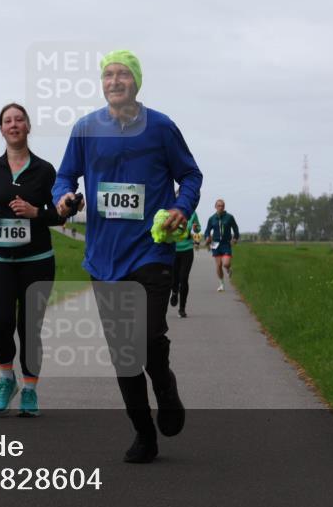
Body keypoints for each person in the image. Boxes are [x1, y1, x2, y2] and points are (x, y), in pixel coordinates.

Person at [54, 50, 202, 463]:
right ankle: (143, 434)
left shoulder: (161, 127)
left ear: (136, 82)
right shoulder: (85, 129)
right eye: (108, 74)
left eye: (122, 74)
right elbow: (65, 175)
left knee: (149, 335)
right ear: (102, 84)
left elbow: (190, 175)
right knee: (123, 351)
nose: (115, 80)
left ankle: (166, 389)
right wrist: (63, 198)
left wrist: (181, 207)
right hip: (104, 257)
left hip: (152, 250)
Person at [0, 103, 63, 417]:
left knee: (30, 327)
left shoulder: (45, 170)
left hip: (37, 258)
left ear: (28, 127)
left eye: (19, 119)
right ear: (1, 129)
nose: (13, 125)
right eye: (7, 121)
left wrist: (37, 212)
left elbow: (60, 215)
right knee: (0, 323)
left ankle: (31, 390)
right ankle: (6, 379)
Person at [203, 198, 239, 292]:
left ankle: (228, 269)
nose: (221, 207)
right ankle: (221, 284)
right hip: (215, 243)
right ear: (215, 207)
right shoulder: (212, 218)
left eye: (222, 206)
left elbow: (235, 228)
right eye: (219, 206)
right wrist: (207, 237)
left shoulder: (229, 217)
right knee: (218, 265)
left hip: (226, 243)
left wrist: (235, 238)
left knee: (226, 263)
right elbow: (207, 231)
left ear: (224, 207)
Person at [170, 209, 200, 318]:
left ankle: (182, 308)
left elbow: (198, 229)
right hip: (173, 250)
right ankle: (174, 292)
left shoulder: (192, 213)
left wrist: (195, 228)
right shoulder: (171, 212)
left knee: (183, 278)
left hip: (187, 249)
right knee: (174, 279)